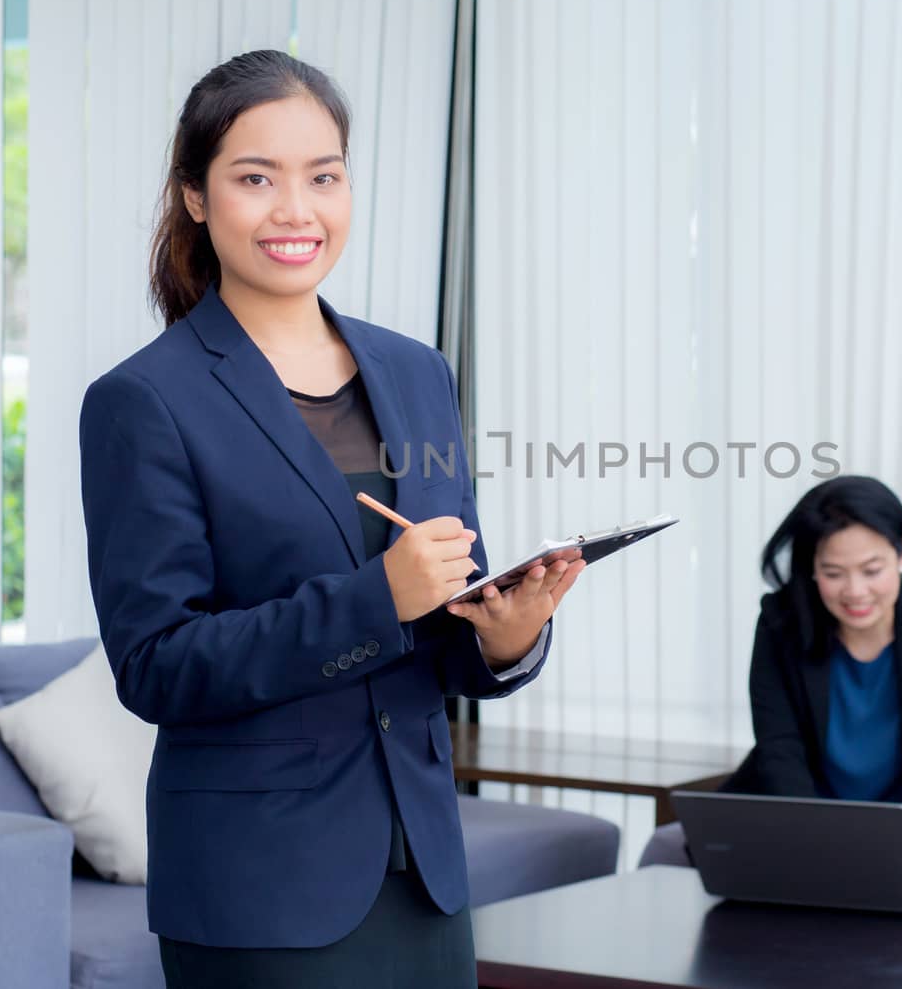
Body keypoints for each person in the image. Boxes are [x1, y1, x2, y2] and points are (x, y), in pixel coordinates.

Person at [79, 50, 585, 988]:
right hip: (258, 883)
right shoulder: (143, 401)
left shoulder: (417, 373)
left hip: (424, 872)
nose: (295, 210)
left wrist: (504, 641)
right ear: (195, 196)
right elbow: (155, 665)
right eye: (255, 178)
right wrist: (373, 599)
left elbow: (444, 623)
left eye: (324, 176)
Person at [724, 475, 902, 887]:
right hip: (799, 830)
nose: (856, 591)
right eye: (833, 573)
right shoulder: (781, 623)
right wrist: (821, 852)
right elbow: (780, 750)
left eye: (872, 570)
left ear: (901, 552)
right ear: (812, 566)